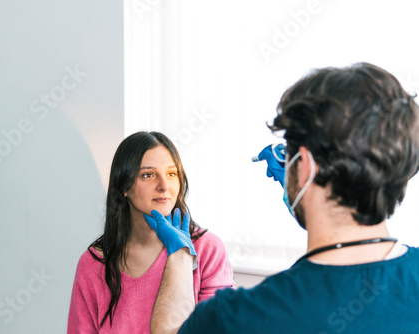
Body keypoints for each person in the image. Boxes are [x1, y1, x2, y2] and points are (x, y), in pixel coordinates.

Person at [147, 63, 419, 333]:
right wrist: (306, 195)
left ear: (307, 166)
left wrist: (180, 255)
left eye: (289, 156)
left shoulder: (243, 317)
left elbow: (169, 329)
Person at [67, 131, 234, 333]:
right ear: (124, 187)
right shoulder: (93, 264)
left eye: (172, 174)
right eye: (148, 175)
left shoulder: (206, 249)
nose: (164, 186)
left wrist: (181, 257)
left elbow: (217, 327)